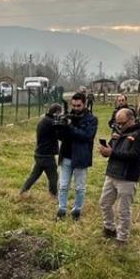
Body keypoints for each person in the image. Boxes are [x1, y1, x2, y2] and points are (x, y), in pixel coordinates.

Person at [98, 106, 140, 244]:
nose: (119, 126)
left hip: (128, 177)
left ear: (131, 119)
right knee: (104, 202)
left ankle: (122, 237)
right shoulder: (118, 132)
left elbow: (135, 156)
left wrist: (112, 153)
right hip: (112, 173)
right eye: (117, 123)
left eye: (122, 123)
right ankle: (109, 228)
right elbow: (111, 149)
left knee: (123, 209)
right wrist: (106, 150)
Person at [55, 92, 98, 220]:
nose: (76, 108)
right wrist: (60, 126)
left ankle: (76, 211)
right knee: (63, 185)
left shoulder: (91, 119)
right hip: (66, 156)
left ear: (84, 104)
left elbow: (87, 136)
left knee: (80, 187)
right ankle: (61, 209)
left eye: (78, 105)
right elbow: (60, 137)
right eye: (73, 105)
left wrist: (70, 127)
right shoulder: (68, 117)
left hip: (81, 157)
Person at [21, 103, 62, 196]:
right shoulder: (51, 123)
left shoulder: (44, 120)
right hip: (47, 155)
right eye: (60, 113)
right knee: (53, 177)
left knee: (34, 175)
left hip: (39, 153)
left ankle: (23, 191)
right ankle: (53, 195)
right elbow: (60, 135)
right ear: (56, 113)